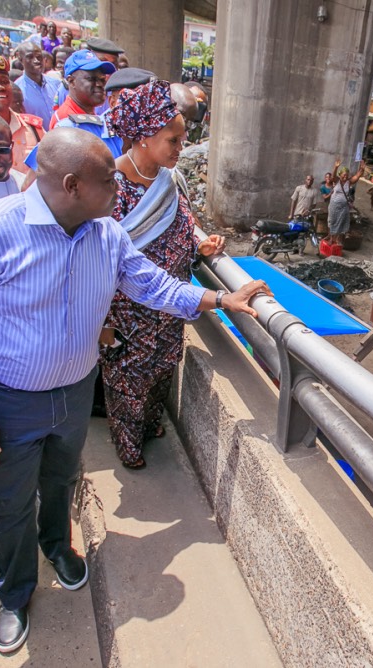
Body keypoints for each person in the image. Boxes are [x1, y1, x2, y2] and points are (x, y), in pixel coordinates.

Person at [0, 127, 272, 653]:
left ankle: (57, 549)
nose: (119, 186)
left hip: (74, 392)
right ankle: (15, 594)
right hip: (9, 401)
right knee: (11, 503)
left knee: (61, 481)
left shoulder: (105, 233)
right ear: (70, 185)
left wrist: (222, 300)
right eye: (108, 179)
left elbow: (152, 284)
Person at [99, 81, 227, 468]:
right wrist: (103, 320)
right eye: (172, 140)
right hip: (127, 313)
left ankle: (149, 425)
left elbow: (182, 225)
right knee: (127, 381)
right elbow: (98, 260)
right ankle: (128, 446)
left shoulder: (172, 181)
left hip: (170, 307)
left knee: (160, 374)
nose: (179, 148)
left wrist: (198, 243)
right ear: (142, 138)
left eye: (182, 139)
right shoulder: (110, 188)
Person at [48, 49, 115, 130]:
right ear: (72, 81)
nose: (100, 84)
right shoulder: (66, 121)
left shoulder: (90, 113)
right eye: (91, 79)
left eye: (102, 79)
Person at [13, 41, 59, 129]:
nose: (36, 61)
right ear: (20, 59)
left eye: (39, 57)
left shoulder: (56, 84)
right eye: (30, 57)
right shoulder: (17, 90)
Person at [327, 158, 364, 247]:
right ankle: (331, 239)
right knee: (332, 221)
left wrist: (362, 169)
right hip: (334, 206)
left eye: (347, 175)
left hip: (343, 207)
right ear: (340, 175)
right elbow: (332, 177)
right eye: (344, 175)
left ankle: (338, 240)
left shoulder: (349, 182)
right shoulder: (336, 180)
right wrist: (336, 167)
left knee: (341, 222)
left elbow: (357, 176)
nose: (345, 177)